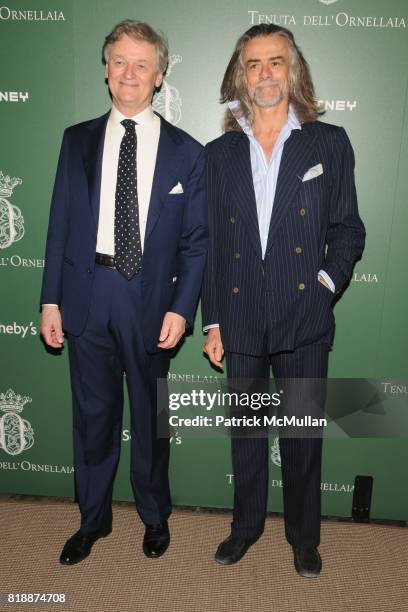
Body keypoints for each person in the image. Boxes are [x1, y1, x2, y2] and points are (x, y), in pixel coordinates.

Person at [40, 20, 207, 565]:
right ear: (106, 70)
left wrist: (183, 310)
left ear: (160, 76)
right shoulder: (77, 140)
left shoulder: (189, 152)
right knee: (93, 417)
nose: (129, 73)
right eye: (119, 61)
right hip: (87, 296)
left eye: (142, 64)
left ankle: (155, 516)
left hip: (151, 304)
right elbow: (60, 224)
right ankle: (92, 519)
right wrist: (49, 300)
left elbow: (197, 242)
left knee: (150, 419)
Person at [202, 24, 365, 577]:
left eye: (276, 62)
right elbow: (214, 246)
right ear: (240, 75)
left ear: (293, 71)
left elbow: (347, 230)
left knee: (301, 434)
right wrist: (213, 321)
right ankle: (245, 527)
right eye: (254, 64)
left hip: (304, 318)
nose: (265, 73)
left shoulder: (329, 142)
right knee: (247, 435)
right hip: (241, 313)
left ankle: (304, 537)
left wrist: (324, 283)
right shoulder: (219, 154)